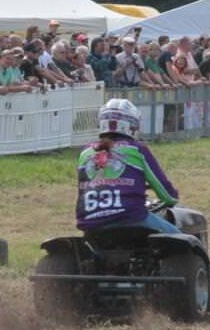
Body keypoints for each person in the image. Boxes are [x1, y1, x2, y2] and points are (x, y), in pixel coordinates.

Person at [75, 99, 180, 235]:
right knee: (184, 239)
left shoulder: (85, 153)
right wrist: (172, 197)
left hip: (91, 224)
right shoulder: (136, 149)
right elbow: (166, 193)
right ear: (131, 125)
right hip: (131, 217)